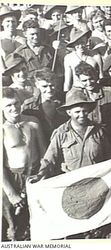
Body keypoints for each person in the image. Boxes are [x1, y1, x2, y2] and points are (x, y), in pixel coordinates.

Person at [28, 88, 111, 238]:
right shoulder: (61, 133)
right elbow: (49, 159)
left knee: (102, 226)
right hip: (73, 188)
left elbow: (110, 158)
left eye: (84, 111)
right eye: (77, 112)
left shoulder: (99, 131)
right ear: (69, 112)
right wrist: (40, 175)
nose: (81, 115)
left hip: (97, 186)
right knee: (77, 229)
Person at [2, 87, 46, 241]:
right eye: (8, 105)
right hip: (13, 178)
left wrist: (42, 174)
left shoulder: (33, 122)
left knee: (36, 222)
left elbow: (44, 153)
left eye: (16, 103)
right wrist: (11, 193)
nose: (14, 108)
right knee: (13, 228)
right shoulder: (2, 129)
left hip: (34, 175)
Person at [73, 61, 111, 156]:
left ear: (96, 76)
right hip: (91, 147)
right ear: (79, 81)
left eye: (91, 79)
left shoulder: (110, 93)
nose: (89, 83)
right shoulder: (77, 97)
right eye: (84, 81)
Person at [22, 68, 68, 145]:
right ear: (37, 85)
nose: (49, 90)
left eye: (52, 85)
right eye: (44, 86)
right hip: (42, 145)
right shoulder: (29, 106)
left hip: (64, 142)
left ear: (56, 83)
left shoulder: (65, 100)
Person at [63, 27, 103, 92]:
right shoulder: (69, 58)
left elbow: (101, 76)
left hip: (94, 89)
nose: (80, 46)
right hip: (77, 90)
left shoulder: (95, 56)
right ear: (73, 44)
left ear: (86, 41)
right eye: (77, 43)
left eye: (82, 42)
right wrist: (66, 95)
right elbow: (67, 81)